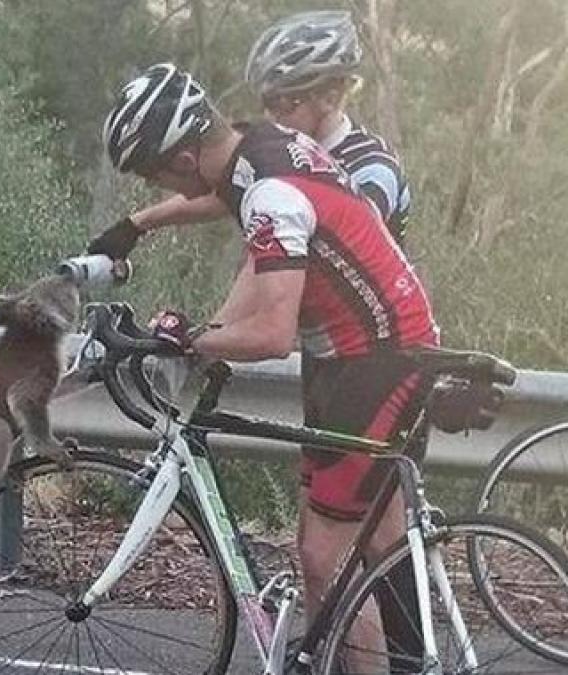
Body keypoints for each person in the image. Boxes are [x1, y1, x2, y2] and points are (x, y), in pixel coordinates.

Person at [89, 62, 439, 670]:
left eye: (151, 175)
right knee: (373, 540)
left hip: (378, 363)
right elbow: (221, 203)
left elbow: (274, 334)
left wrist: (194, 339)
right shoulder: (259, 147)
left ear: (183, 160)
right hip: (358, 354)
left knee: (324, 556)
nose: (155, 186)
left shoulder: (270, 197)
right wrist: (138, 228)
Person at [112, 11, 411, 248]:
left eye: (284, 104)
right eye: (267, 102)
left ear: (329, 99)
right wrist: (136, 224)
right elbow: (225, 192)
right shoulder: (285, 149)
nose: (270, 116)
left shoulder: (372, 169)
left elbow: (346, 244)